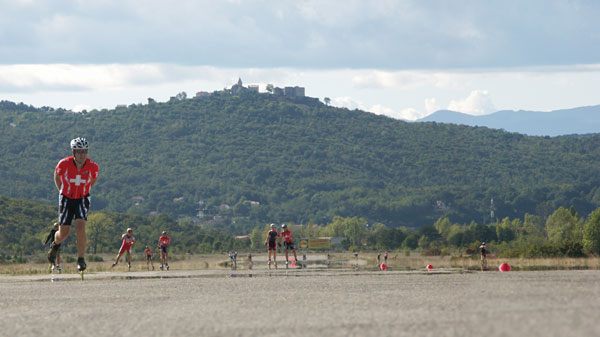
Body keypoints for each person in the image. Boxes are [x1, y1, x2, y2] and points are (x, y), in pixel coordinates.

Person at [48, 137, 99, 273]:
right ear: (73, 152)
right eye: (79, 152)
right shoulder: (64, 164)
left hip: (82, 198)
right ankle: (55, 242)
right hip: (66, 198)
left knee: (80, 226)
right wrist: (62, 191)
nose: (82, 155)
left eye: (85, 152)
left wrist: (85, 189)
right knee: (64, 232)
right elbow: (57, 176)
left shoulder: (93, 166)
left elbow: (93, 179)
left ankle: (81, 259)